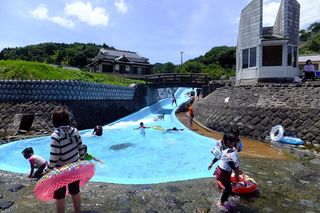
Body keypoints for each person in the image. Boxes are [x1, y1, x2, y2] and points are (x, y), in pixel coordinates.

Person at [43, 108, 85, 213]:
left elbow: (54, 158)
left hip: (60, 171)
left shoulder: (56, 135)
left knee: (60, 196)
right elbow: (81, 149)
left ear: (55, 121)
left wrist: (46, 171)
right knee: (75, 192)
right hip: (74, 167)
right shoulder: (75, 131)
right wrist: (82, 161)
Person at [213, 134, 241, 211]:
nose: (235, 145)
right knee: (229, 189)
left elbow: (218, 157)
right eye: (234, 143)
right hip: (223, 173)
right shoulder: (230, 152)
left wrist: (211, 164)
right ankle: (221, 203)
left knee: (228, 185)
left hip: (222, 171)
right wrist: (236, 171)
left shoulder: (225, 148)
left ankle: (224, 194)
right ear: (229, 142)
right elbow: (230, 162)